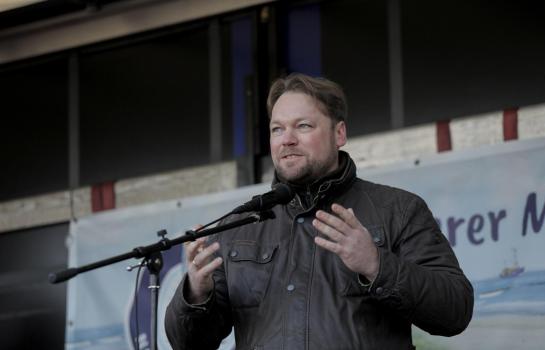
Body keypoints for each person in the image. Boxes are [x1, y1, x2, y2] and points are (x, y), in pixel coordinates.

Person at [165, 73, 474, 349]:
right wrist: (196, 295)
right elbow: (188, 344)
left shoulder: (399, 209)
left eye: (303, 126)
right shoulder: (239, 226)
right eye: (277, 129)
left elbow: (455, 311)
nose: (287, 139)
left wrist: (377, 265)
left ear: (339, 134)